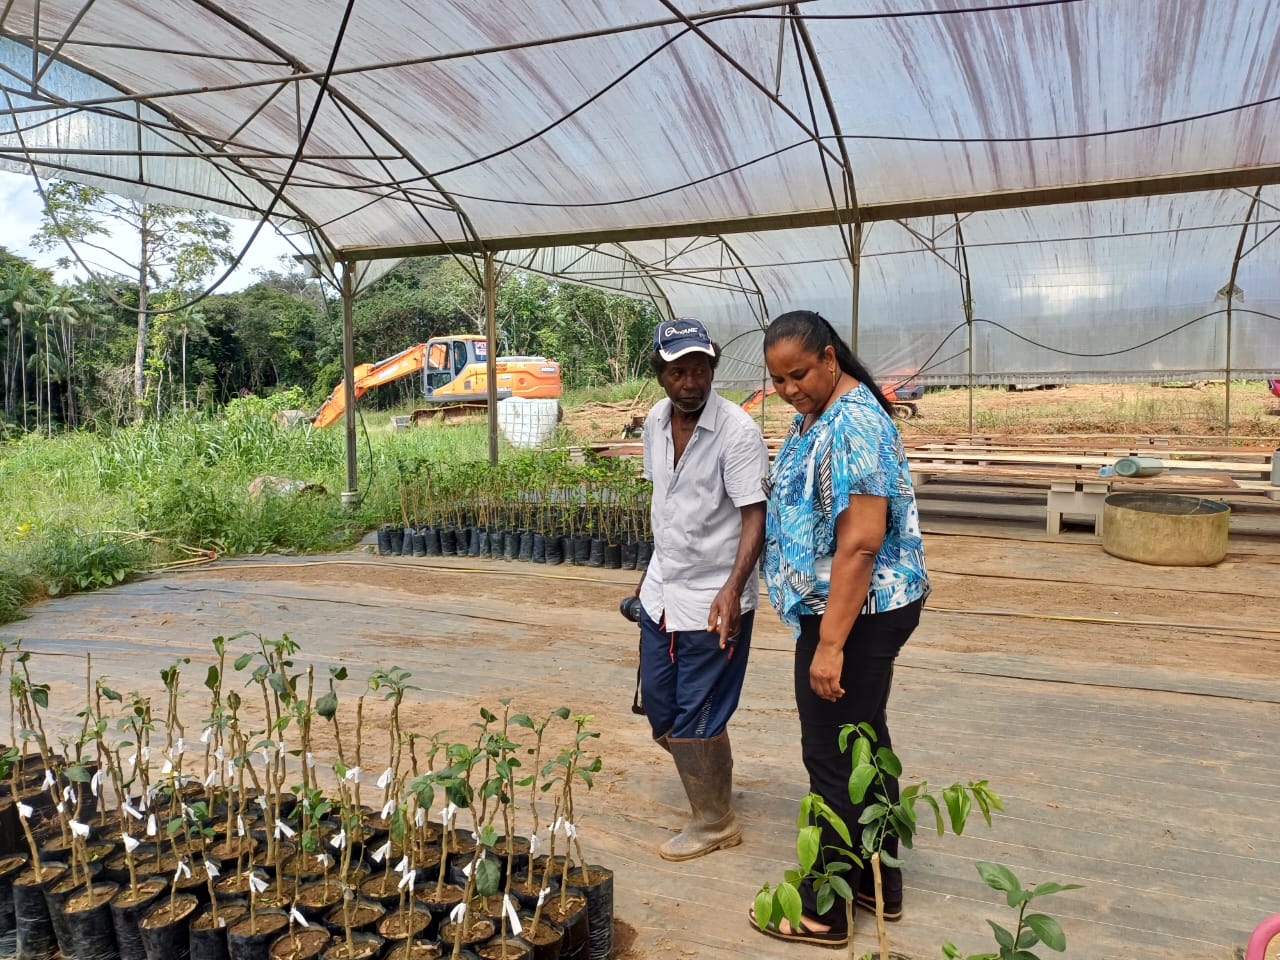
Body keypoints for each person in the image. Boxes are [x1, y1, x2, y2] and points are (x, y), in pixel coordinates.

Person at [752, 309, 929, 946]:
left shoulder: (854, 421)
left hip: (857, 613)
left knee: (828, 753)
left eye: (798, 373)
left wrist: (829, 644)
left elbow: (861, 542)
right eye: (777, 379)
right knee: (863, 737)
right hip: (854, 608)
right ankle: (879, 881)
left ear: (830, 358)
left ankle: (824, 910)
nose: (789, 388)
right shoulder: (822, 413)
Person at [634, 317, 769, 861]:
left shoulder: (738, 432)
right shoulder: (654, 422)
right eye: (678, 371)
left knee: (701, 711)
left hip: (717, 594)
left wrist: (733, 590)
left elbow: (754, 518)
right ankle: (712, 785)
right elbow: (665, 505)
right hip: (663, 592)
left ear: (713, 368)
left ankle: (715, 820)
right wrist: (648, 576)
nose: (690, 382)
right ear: (660, 374)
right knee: (662, 711)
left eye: (701, 370)